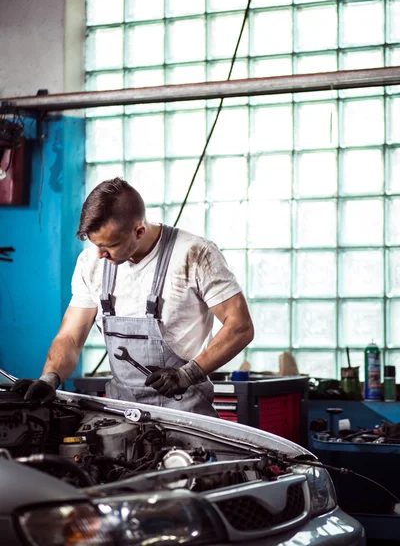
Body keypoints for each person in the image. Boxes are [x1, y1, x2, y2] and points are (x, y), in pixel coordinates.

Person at [12, 178, 254, 417]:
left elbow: (240, 327)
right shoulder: (91, 263)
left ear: (139, 231)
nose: (99, 254)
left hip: (186, 413)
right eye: (95, 244)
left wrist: (188, 374)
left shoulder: (195, 254)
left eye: (110, 245)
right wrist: (49, 378)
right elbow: (71, 336)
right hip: (122, 413)